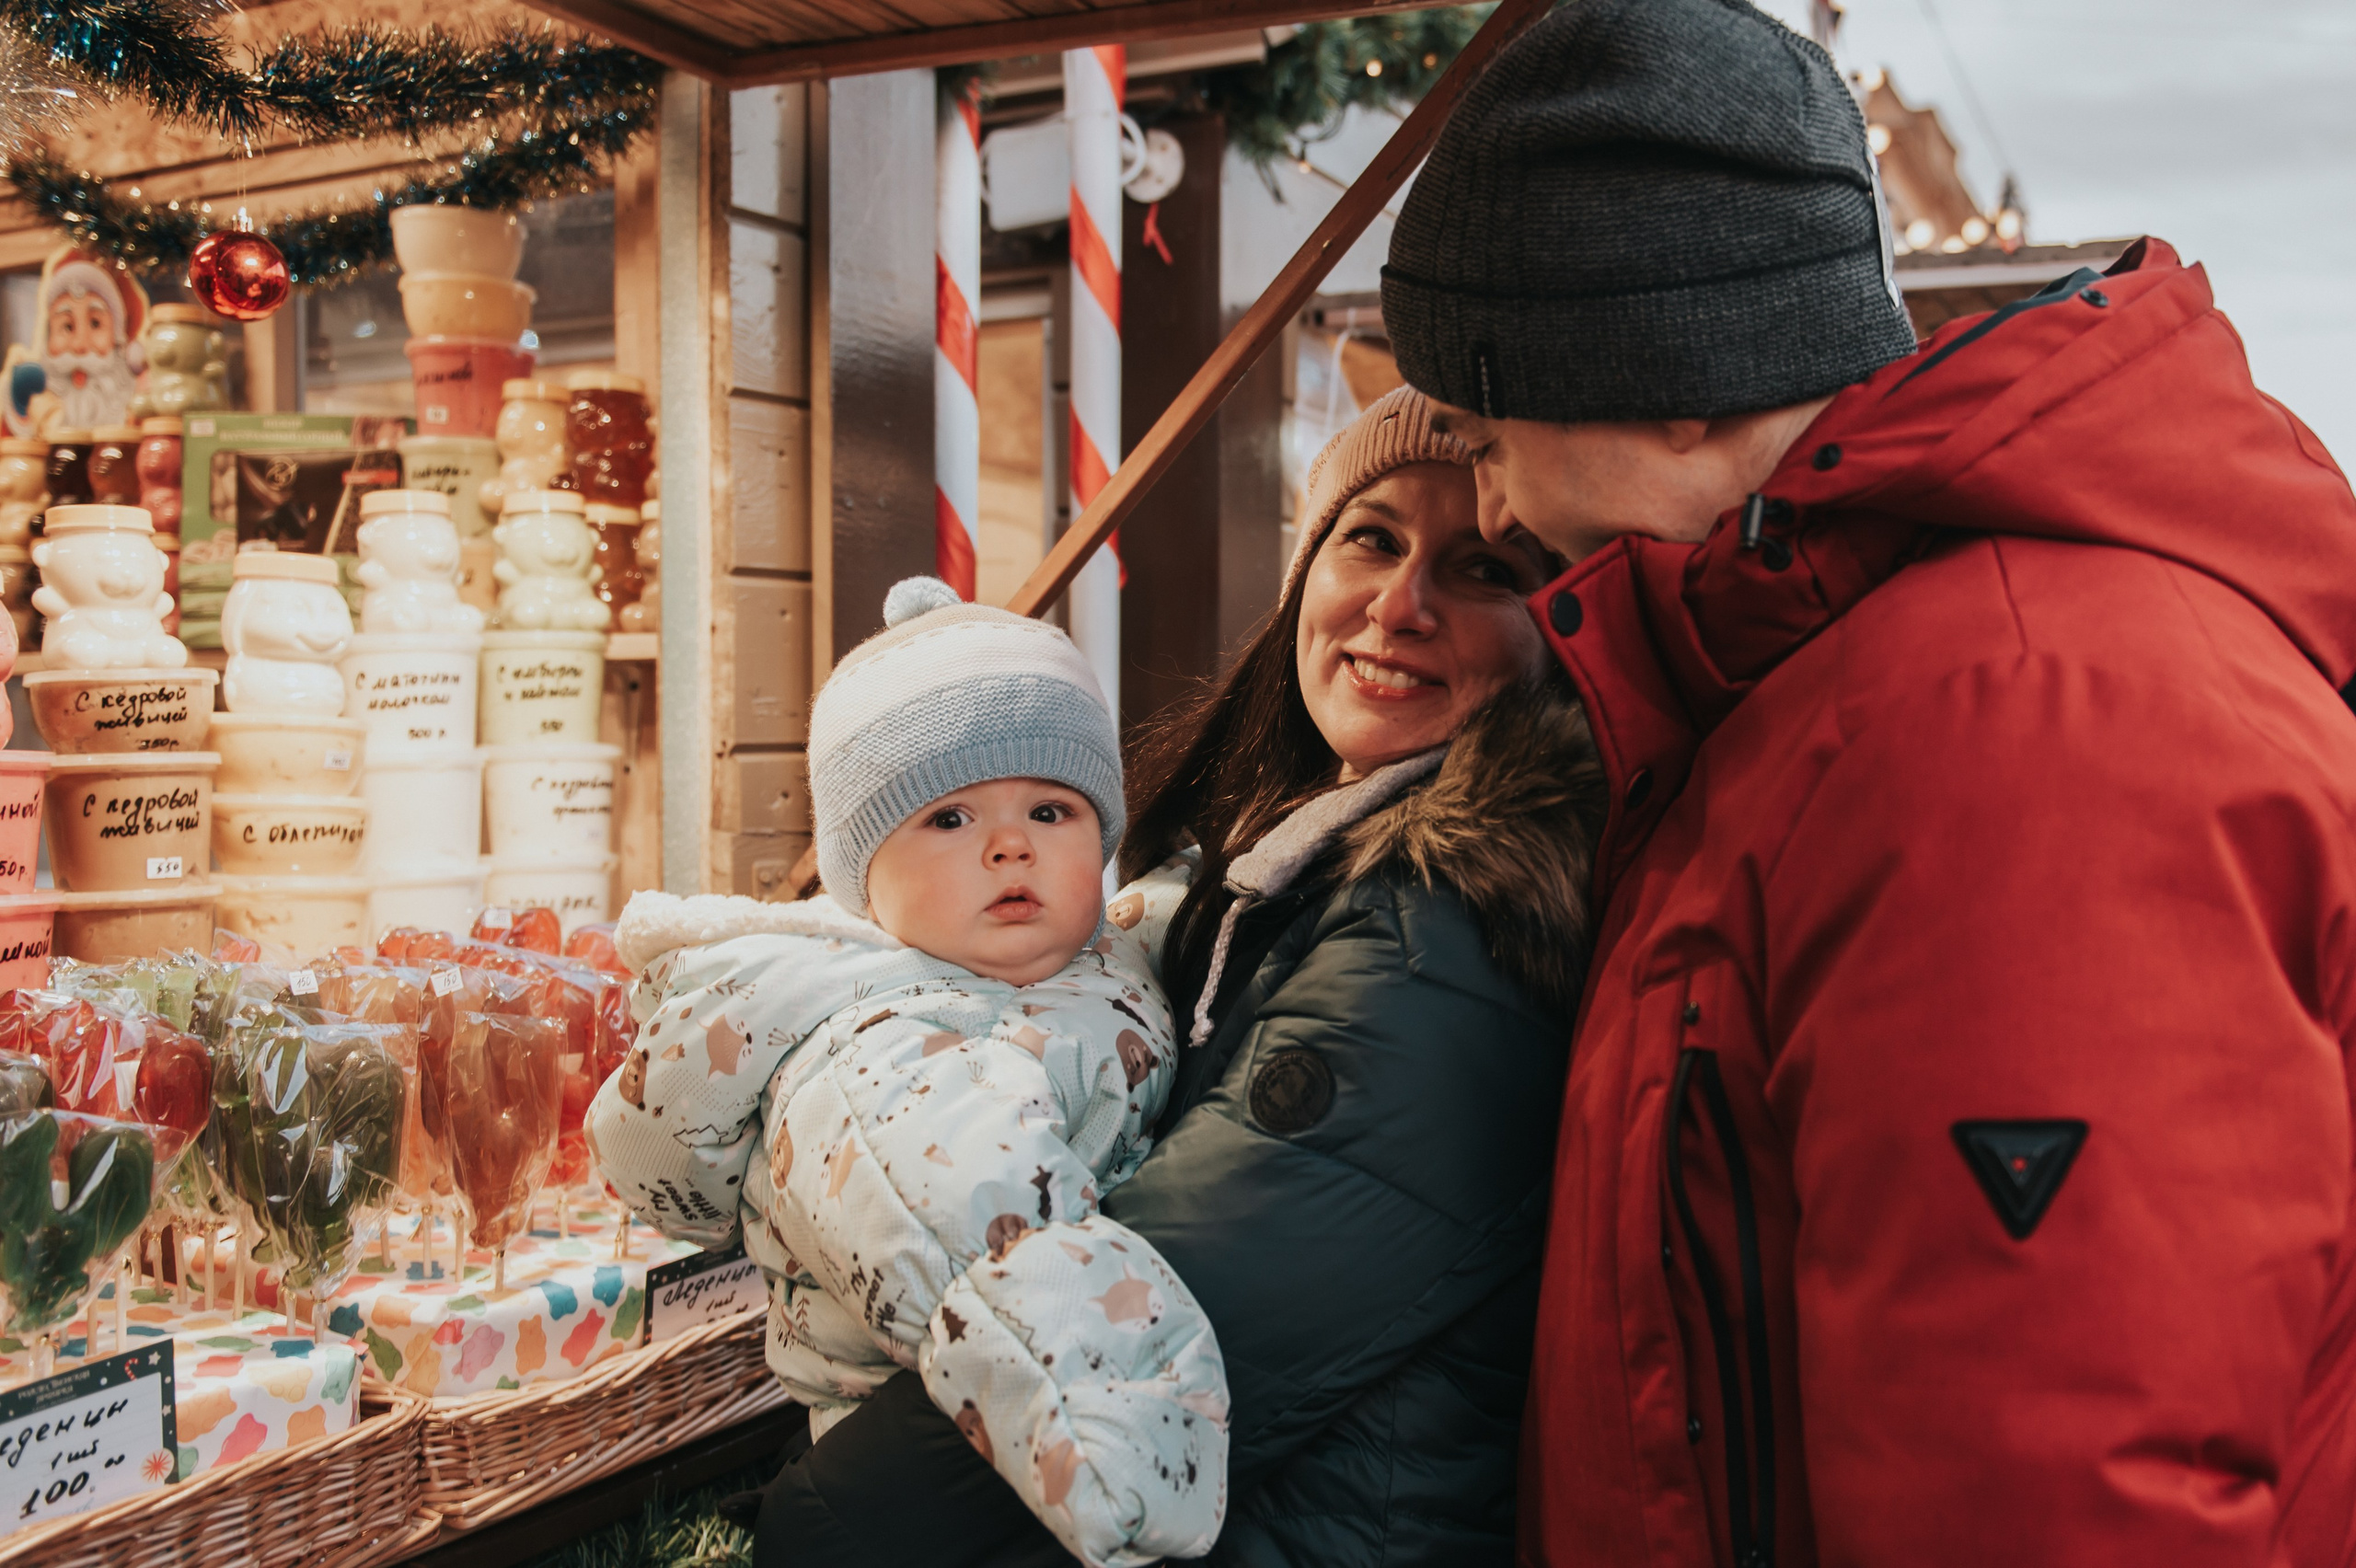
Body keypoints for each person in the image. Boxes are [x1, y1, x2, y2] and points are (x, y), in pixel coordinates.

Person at [1376, 2, 2356, 1564]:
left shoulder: (2010, 722)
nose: (1488, 492)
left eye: (1494, 423)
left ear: (1671, 371)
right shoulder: (1830, 688)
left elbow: (2055, 1493)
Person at [749, 385, 1607, 1567]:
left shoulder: (1449, 924)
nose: (1399, 604)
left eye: (1486, 569)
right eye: (1372, 538)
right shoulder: (1278, 856)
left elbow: (1168, 1322)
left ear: (1563, 619)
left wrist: (821, 1518)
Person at [588, 578, 1226, 1567]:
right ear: (862, 875)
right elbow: (988, 1238)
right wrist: (1125, 1456)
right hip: (948, 1462)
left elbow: (1150, 921)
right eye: (950, 819)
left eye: (1052, 809)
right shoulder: (884, 1064)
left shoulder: (1072, 956)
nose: (1011, 843)